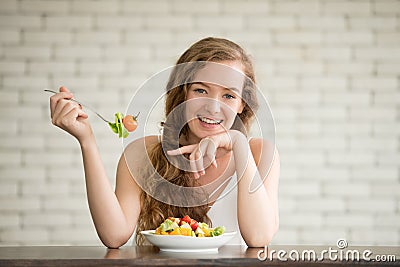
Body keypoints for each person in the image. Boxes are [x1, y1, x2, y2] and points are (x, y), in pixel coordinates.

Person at [49, 37, 280, 248]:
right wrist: (86, 139)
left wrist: (238, 143)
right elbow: (114, 235)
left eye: (228, 95)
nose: (213, 107)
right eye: (200, 90)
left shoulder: (259, 153)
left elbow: (259, 238)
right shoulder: (144, 153)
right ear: (183, 94)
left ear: (242, 104)